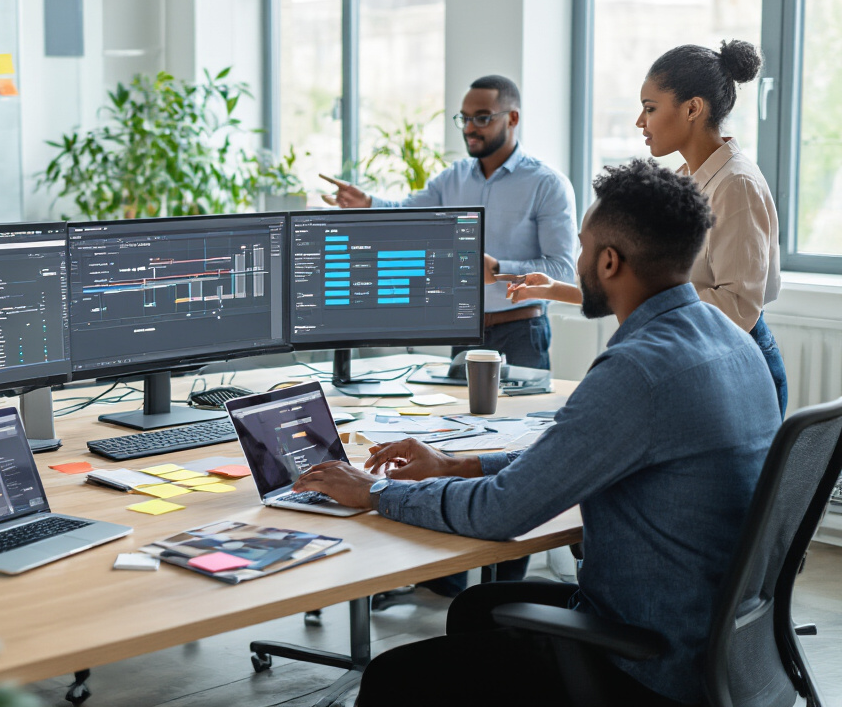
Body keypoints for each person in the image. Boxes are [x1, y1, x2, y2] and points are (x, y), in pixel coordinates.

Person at [294, 159, 781, 706]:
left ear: (610, 261)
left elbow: (501, 514)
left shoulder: (638, 370)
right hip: (719, 637)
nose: (574, 263)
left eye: (581, 248)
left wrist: (375, 491)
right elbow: (572, 453)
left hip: (653, 663)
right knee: (476, 609)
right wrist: (458, 464)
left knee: (393, 678)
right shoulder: (727, 336)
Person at [508, 40, 788, 416]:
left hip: (736, 364)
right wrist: (556, 289)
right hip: (700, 352)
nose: (640, 122)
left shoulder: (735, 184)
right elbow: (645, 283)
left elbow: (738, 308)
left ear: (692, 108)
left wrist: (652, 312)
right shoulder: (687, 176)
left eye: (650, 109)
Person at [320, 74, 577, 372]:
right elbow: (407, 213)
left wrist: (499, 270)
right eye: (464, 118)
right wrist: (366, 203)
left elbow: (563, 271)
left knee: (525, 419)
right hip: (466, 332)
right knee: (458, 419)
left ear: (512, 118)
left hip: (520, 332)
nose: (469, 128)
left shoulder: (547, 184)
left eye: (482, 118)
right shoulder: (452, 178)